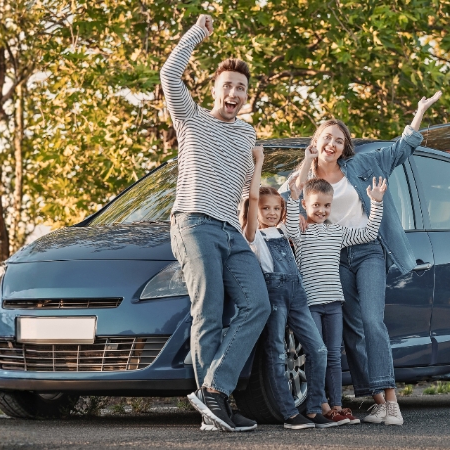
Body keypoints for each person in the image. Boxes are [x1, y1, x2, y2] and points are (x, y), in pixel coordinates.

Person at [287, 91, 441, 426]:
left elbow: (400, 151)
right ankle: (377, 402)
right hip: (332, 260)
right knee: (352, 331)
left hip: (368, 250)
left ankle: (392, 403)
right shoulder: (302, 180)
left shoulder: (360, 166)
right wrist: (303, 163)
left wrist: (419, 111)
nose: (333, 144)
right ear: (315, 141)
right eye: (327, 138)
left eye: (339, 140)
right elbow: (286, 201)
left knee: (372, 321)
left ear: (345, 148)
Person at [160, 14, 270, 432]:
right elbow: (169, 72)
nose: (234, 92)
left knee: (258, 304)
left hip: (231, 230)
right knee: (207, 309)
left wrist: (251, 217)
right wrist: (197, 33)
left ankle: (214, 392)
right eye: (228, 85)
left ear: (245, 96)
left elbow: (246, 188)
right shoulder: (191, 118)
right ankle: (215, 406)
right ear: (215, 89)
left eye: (241, 88)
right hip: (194, 223)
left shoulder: (246, 134)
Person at [239, 149, 342, 430]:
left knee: (318, 350)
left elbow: (296, 192)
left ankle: (312, 408)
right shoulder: (254, 236)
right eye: (265, 208)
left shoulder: (285, 230)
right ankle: (288, 413)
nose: (271, 213)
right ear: (255, 210)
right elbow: (253, 203)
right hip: (274, 296)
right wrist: (257, 164)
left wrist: (308, 160)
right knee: (276, 352)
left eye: (275, 208)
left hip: (298, 294)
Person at [285, 176, 387, 425]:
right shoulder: (300, 230)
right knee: (316, 354)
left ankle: (337, 406)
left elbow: (369, 233)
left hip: (334, 304)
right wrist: (293, 198)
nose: (321, 210)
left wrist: (376, 203)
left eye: (326, 205)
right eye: (316, 205)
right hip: (310, 305)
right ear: (306, 205)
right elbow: (287, 225)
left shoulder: (337, 232)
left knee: (333, 355)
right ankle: (320, 405)